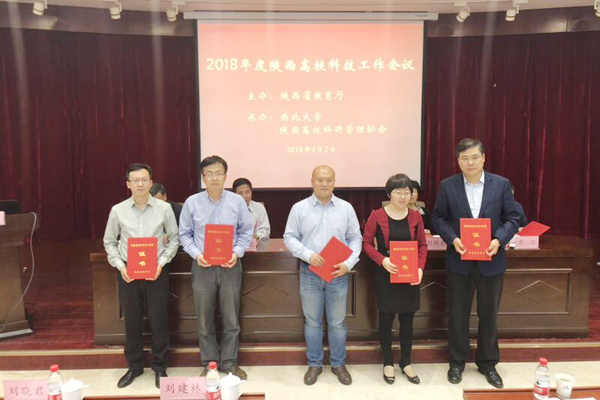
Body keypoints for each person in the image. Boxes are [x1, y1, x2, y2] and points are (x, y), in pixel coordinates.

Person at [432, 138, 520, 389]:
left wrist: (498, 240)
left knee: (489, 314)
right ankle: (457, 362)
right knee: (458, 314)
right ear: (458, 161)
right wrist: (453, 238)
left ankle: (488, 363)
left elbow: (512, 218)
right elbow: (438, 217)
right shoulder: (447, 186)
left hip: (491, 260)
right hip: (459, 260)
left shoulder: (501, 184)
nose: (470, 162)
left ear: (483, 158)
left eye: (474, 157)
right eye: (464, 158)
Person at [283, 165, 362, 386]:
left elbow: (355, 238)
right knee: (312, 322)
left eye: (329, 180)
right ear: (312, 181)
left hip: (338, 273)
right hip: (310, 272)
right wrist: (307, 255)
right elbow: (289, 237)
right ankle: (314, 364)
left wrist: (348, 263)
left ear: (334, 182)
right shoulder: (299, 208)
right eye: (320, 179)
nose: (324, 183)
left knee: (337, 322)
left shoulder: (346, 208)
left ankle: (338, 364)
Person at [103, 163, 179, 389]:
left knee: (159, 319)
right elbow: (109, 242)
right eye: (135, 180)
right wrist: (120, 266)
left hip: (156, 270)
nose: (140, 184)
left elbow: (174, 239)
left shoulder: (164, 209)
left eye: (144, 179)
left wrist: (162, 263)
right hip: (128, 272)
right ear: (128, 184)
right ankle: (135, 366)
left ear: (151, 182)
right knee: (132, 320)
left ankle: (160, 366)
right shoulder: (118, 210)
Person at [179, 155, 254, 380]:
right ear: (203, 177)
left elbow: (246, 232)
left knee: (231, 317)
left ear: (225, 176)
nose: (214, 178)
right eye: (209, 174)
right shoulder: (192, 202)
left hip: (230, 265)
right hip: (203, 266)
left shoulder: (237, 202)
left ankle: (230, 362)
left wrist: (236, 253)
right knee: (204, 318)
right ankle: (210, 363)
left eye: (218, 173)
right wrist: (197, 255)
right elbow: (184, 234)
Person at [362, 174, 427, 385]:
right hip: (386, 274)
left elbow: (422, 245)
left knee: (408, 320)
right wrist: (382, 260)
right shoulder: (377, 215)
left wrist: (420, 268)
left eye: (407, 192)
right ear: (389, 194)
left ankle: (406, 362)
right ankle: (388, 362)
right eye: (398, 192)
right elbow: (367, 244)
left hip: (409, 275)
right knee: (386, 319)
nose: (402, 196)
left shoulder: (416, 216)